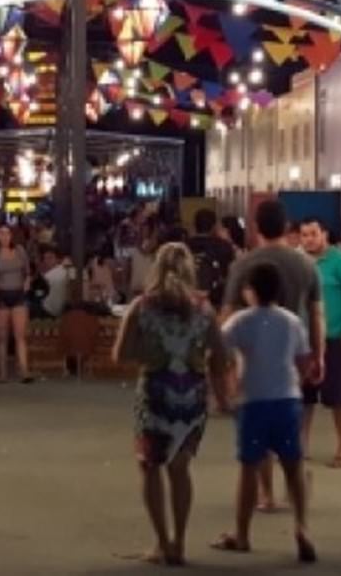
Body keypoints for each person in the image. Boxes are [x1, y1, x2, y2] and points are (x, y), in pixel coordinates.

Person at [113, 242, 230, 567]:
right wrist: (221, 395)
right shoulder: (204, 308)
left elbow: (121, 354)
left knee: (150, 466)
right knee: (180, 468)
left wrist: (152, 352)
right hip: (192, 395)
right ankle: (179, 542)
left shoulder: (142, 306)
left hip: (155, 393)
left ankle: (161, 543)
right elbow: (221, 357)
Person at [221, 199, 325, 511]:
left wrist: (223, 362)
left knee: (258, 430)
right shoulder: (306, 264)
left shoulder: (244, 264)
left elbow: (227, 312)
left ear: (256, 227)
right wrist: (318, 355)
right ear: (286, 226)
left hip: (252, 355)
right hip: (292, 348)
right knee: (291, 423)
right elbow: (316, 313)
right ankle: (296, 490)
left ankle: (266, 494)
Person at [213, 261, 317, 563]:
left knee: (249, 467)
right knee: (294, 466)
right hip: (287, 400)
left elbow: (217, 352)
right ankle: (302, 527)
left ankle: (242, 534)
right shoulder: (292, 321)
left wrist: (223, 392)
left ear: (250, 291)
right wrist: (297, 380)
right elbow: (304, 361)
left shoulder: (240, 321)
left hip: (253, 401)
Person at [298, 217, 341, 468]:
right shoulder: (298, 261)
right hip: (303, 339)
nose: (308, 239)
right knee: (302, 397)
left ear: (325, 234)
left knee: (339, 397)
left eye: (313, 234)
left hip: (334, 338)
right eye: (304, 235)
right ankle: (300, 446)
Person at [0, 222, 35, 383]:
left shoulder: (19, 250)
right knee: (2, 337)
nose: (4, 236)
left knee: (20, 336)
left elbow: (28, 271)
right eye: (1, 233)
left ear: (12, 235)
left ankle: (24, 371)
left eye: (7, 233)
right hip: (2, 295)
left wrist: (27, 281)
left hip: (19, 294)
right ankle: (2, 373)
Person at [187, 209, 236, 308]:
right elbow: (231, 273)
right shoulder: (224, 246)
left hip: (188, 298)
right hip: (217, 300)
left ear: (194, 226)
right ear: (214, 227)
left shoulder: (184, 245)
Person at [36, 245, 70, 318]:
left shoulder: (49, 276)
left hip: (48, 311)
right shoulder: (64, 271)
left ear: (58, 259)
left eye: (50, 258)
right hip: (60, 311)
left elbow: (38, 294)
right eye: (45, 258)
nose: (47, 261)